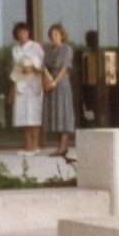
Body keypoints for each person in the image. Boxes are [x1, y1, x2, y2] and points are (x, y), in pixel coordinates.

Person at [8, 22, 43, 155]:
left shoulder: (36, 47)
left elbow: (42, 65)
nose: (22, 35)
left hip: (33, 85)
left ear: (28, 33)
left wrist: (33, 68)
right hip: (20, 84)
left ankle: (35, 146)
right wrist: (11, 90)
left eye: (25, 32)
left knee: (33, 114)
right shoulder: (15, 50)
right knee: (23, 115)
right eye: (20, 33)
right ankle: (28, 145)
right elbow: (15, 70)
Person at [42, 23, 76, 157]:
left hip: (61, 83)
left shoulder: (67, 49)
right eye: (52, 34)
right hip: (50, 81)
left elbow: (64, 68)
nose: (54, 36)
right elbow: (44, 66)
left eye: (56, 34)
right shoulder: (49, 50)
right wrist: (46, 81)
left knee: (63, 112)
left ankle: (63, 146)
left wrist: (55, 82)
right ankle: (60, 146)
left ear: (62, 35)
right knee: (55, 113)